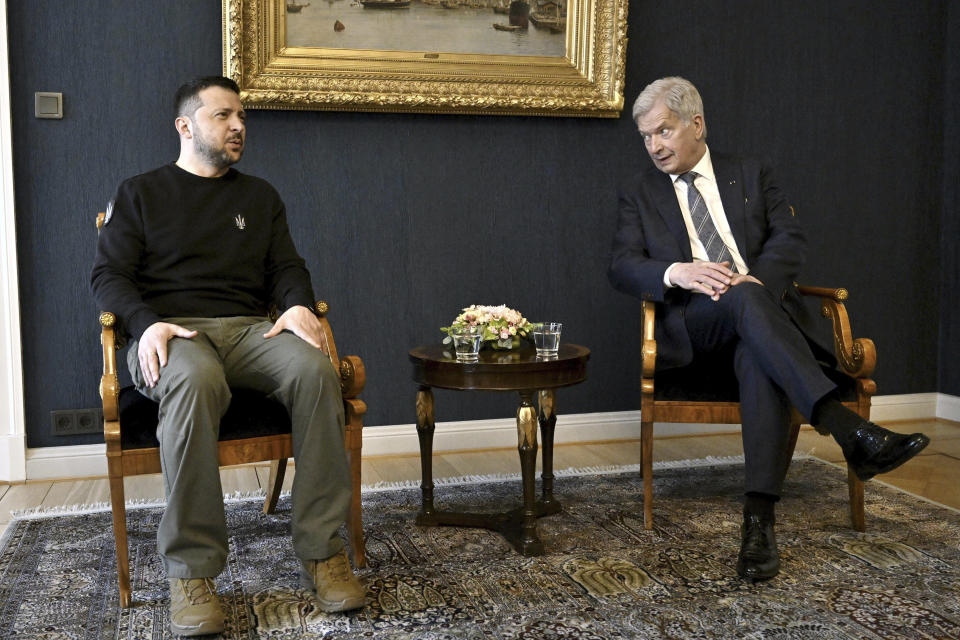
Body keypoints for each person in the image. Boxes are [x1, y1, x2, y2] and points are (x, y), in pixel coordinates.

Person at [608, 76, 929, 582]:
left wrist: (757, 281)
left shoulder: (751, 173)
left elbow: (789, 238)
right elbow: (622, 265)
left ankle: (758, 527)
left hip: (762, 323)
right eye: (646, 137)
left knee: (757, 349)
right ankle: (847, 429)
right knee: (742, 303)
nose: (654, 146)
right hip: (696, 326)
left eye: (663, 131)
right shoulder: (640, 190)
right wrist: (678, 272)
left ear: (696, 124)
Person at [91, 76, 366, 636]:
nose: (238, 125)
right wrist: (146, 325)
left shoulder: (259, 196)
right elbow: (108, 275)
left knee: (316, 370)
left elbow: (287, 266)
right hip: (176, 334)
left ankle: (321, 549)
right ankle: (192, 572)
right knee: (194, 381)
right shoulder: (140, 192)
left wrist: (295, 306)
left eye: (241, 116)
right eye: (223, 115)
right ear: (185, 125)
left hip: (249, 331)